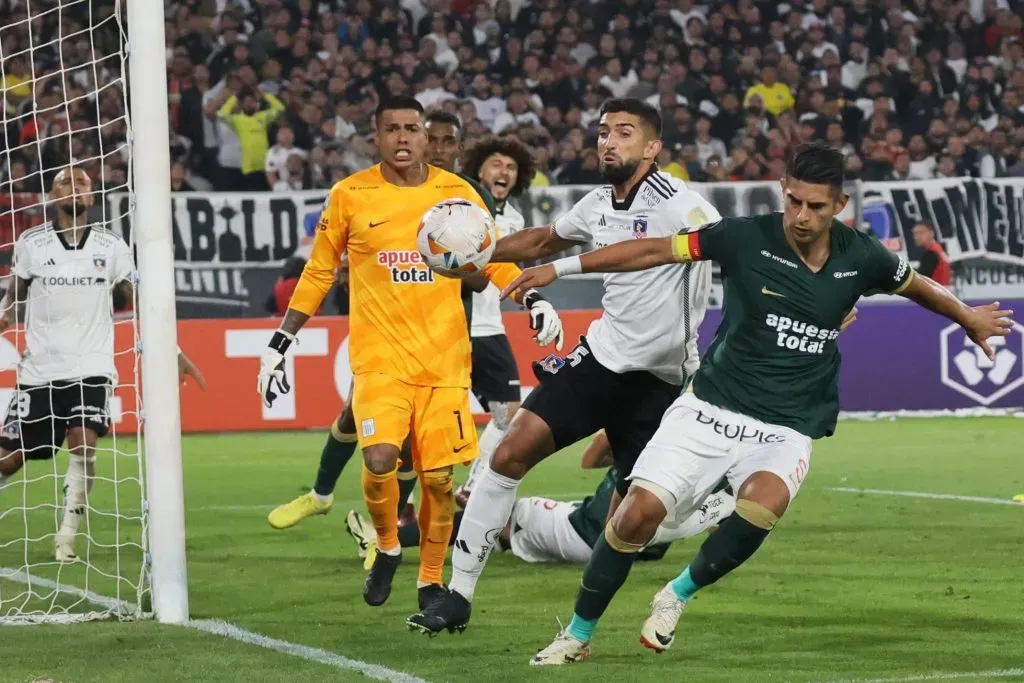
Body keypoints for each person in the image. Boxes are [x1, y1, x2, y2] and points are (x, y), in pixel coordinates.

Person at [500, 141, 1013, 665]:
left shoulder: (862, 255)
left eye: (815, 206)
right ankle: (579, 635)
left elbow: (915, 284)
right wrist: (559, 269)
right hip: (710, 408)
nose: (800, 216)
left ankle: (674, 595)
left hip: (787, 423)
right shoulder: (745, 237)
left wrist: (967, 317)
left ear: (838, 206)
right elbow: (654, 250)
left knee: (761, 509)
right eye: (793, 201)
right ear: (782, 192)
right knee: (637, 516)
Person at [408, 98, 723, 635]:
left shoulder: (683, 205)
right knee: (509, 453)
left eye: (624, 133)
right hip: (600, 360)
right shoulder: (598, 203)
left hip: (661, 383)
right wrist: (466, 252)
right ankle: (455, 596)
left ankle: (713, 498)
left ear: (652, 148)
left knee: (638, 525)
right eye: (602, 131)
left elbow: (679, 250)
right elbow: (543, 239)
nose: (608, 141)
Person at [255, 96, 564, 611]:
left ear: (426, 136)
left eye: (412, 129)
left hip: (444, 362)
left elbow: (491, 260)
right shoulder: (350, 195)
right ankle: (389, 545)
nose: (403, 137)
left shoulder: (458, 194)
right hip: (380, 361)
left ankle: (428, 580)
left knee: (439, 481)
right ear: (375, 136)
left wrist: (530, 296)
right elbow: (317, 272)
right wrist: (281, 341)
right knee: (379, 459)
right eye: (391, 129)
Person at [0, 167, 205, 563]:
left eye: (83, 183)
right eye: (65, 182)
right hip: (40, 370)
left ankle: (66, 536)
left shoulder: (111, 247)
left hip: (92, 366)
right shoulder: (32, 243)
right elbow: (13, 296)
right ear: (53, 195)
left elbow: (140, 302)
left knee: (85, 444)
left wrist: (172, 348)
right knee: (10, 458)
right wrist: (4, 315)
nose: (74, 188)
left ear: (92, 197)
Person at [345, 430, 736, 565]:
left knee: (503, 512)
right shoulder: (703, 480)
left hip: (585, 533)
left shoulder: (650, 457)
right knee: (511, 527)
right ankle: (496, 539)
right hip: (603, 532)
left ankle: (387, 542)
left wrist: (627, 427)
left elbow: (589, 458)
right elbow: (716, 524)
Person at [456, 135, 537, 504]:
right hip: (453, 328)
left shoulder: (516, 218)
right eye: (496, 165)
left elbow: (507, 272)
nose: (504, 172)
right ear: (479, 170)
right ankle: (405, 506)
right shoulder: (460, 207)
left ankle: (472, 487)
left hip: (489, 329)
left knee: (510, 415)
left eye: (511, 167)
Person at [911, 221, 951, 288]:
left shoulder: (931, 253)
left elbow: (921, 279)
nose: (916, 237)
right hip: (943, 292)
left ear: (931, 233)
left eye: (921, 233)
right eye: (915, 234)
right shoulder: (939, 249)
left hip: (935, 293)